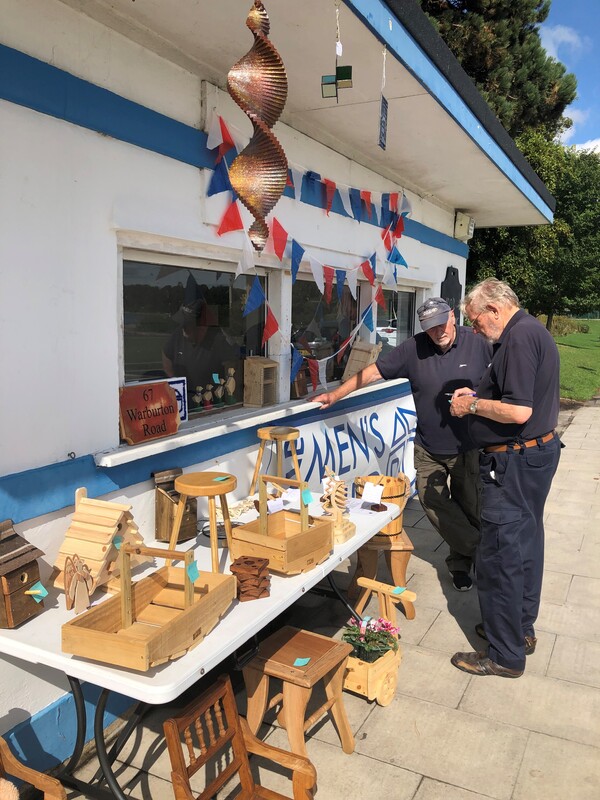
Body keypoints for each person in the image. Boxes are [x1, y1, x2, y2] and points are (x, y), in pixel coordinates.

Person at [314, 297, 492, 591]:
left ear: (452, 316)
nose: (438, 332)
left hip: (468, 445)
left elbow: (502, 378)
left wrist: (481, 399)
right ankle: (483, 550)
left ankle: (461, 565)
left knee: (469, 507)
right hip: (428, 446)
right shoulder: (414, 348)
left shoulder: (479, 341)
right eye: (430, 327)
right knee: (431, 502)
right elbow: (371, 372)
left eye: (442, 323)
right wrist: (335, 395)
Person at [449, 278, 561, 678]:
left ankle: (505, 654)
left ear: (494, 309)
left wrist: (470, 406)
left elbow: (517, 411)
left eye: (475, 320)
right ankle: (519, 630)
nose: (474, 329)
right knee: (527, 544)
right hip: (533, 455)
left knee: (499, 555)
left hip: (513, 463)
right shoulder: (530, 331)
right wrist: (480, 394)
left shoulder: (517, 338)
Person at [162, 297, 238, 405]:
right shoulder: (177, 335)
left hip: (211, 400)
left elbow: (232, 368)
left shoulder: (220, 340)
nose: (183, 330)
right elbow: (166, 355)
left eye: (186, 326)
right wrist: (175, 383)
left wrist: (220, 388)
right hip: (183, 397)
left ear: (202, 327)